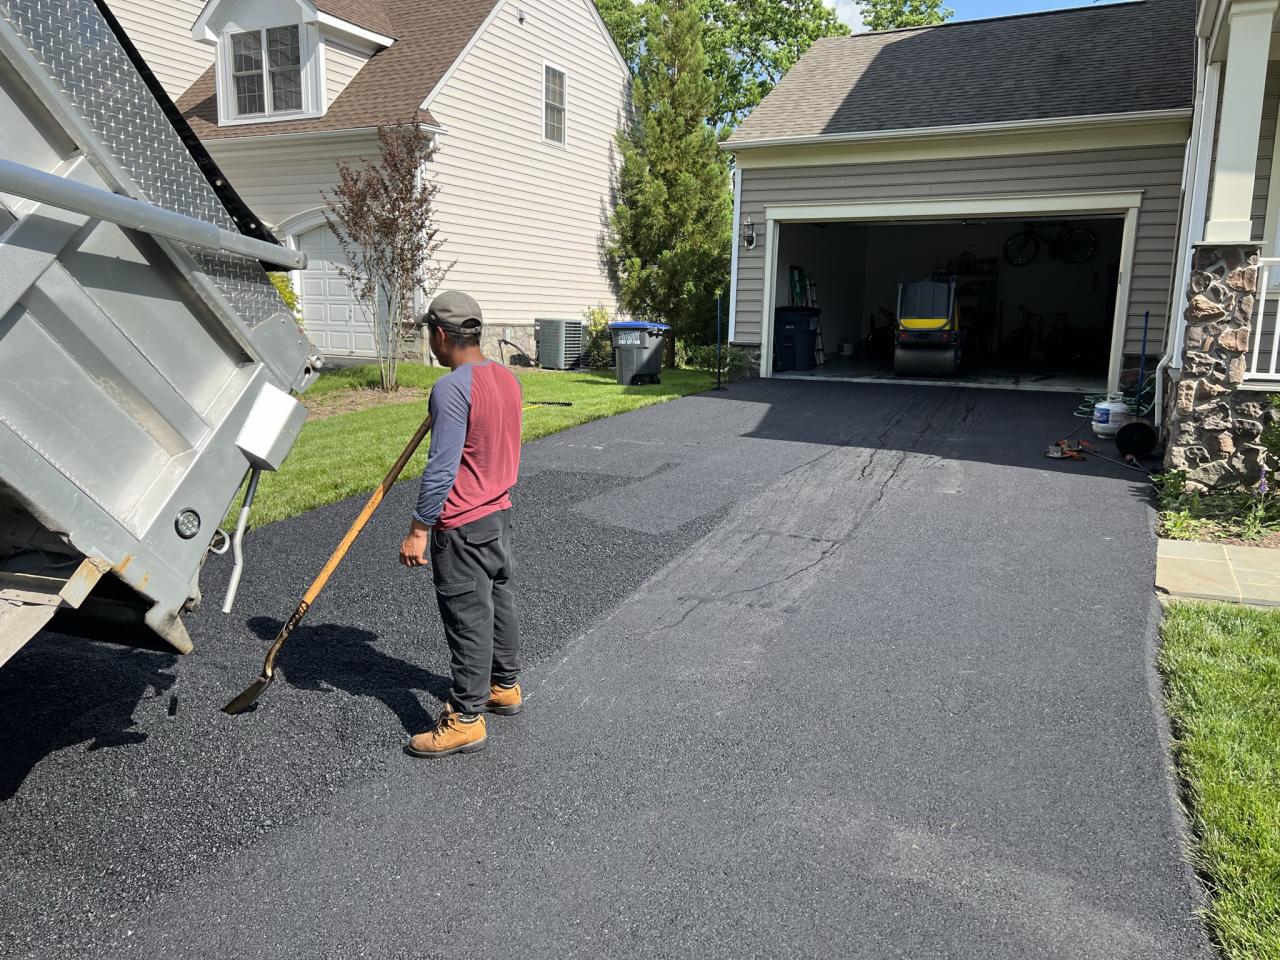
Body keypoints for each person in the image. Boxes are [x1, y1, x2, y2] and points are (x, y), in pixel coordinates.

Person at [398, 291, 523, 758]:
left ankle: (466, 717)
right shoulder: (508, 380)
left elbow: (441, 468)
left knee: (467, 615)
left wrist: (419, 527)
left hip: (463, 521)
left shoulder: (450, 389)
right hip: (498, 513)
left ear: (441, 335)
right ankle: (504, 687)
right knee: (497, 601)